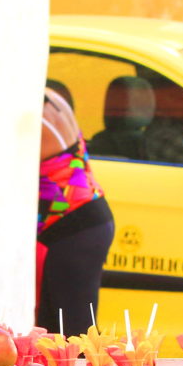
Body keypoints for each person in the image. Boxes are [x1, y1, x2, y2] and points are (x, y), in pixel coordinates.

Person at [37, 87, 115, 332]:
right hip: (90, 216)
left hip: (71, 228)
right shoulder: (50, 97)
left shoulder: (31, 117)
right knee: (62, 328)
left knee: (73, 332)